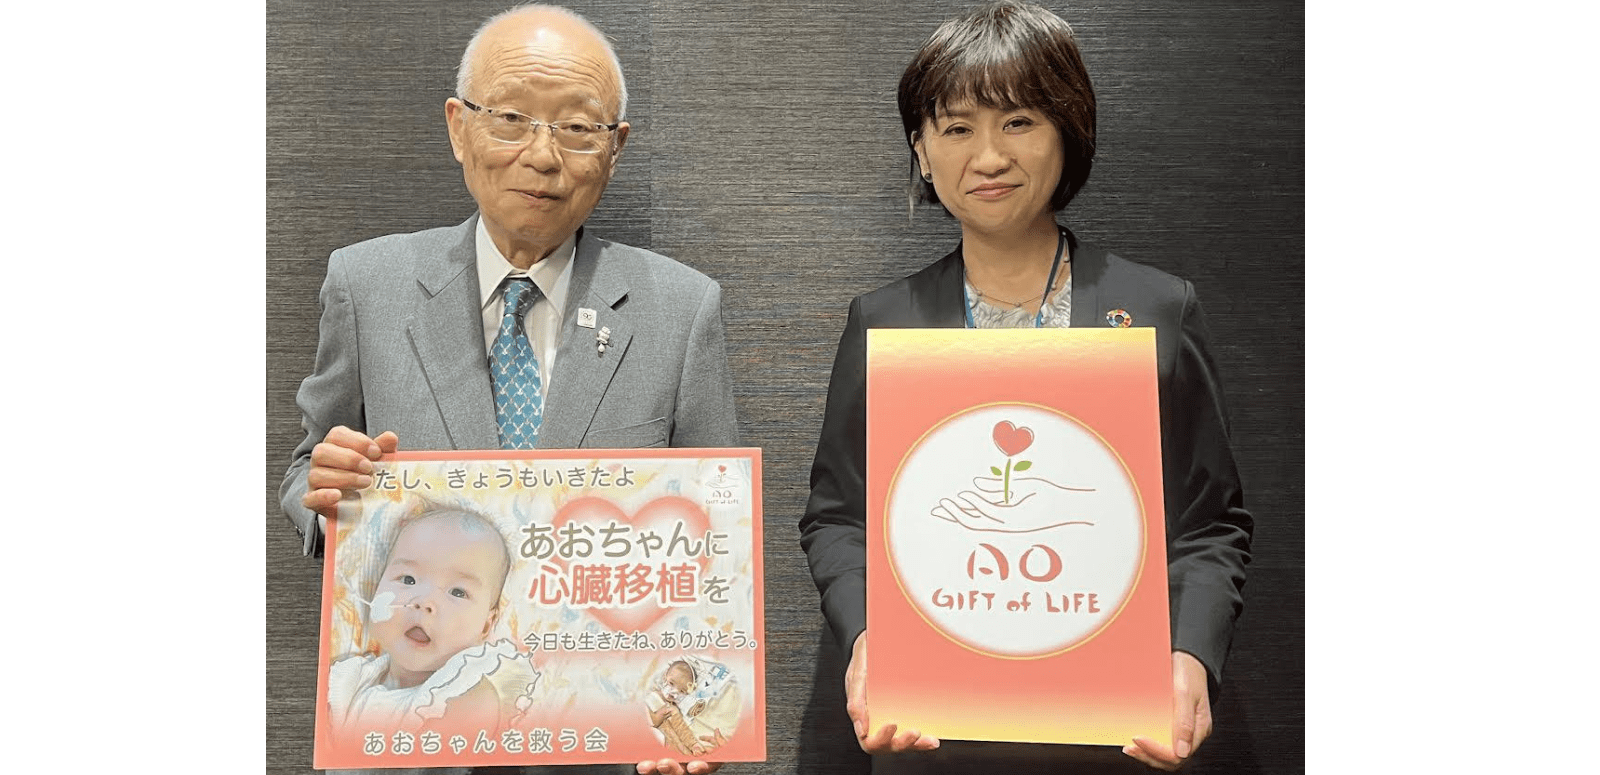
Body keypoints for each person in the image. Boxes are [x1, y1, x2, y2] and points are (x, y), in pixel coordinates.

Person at [278, 5, 735, 774]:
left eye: (578, 128)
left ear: (615, 147)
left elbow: (717, 537)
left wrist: (694, 722)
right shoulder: (367, 283)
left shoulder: (682, 308)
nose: (543, 155)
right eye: (513, 119)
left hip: (601, 747)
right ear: (459, 127)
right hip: (413, 749)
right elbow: (304, 470)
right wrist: (325, 492)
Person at [797, 2, 1253, 772]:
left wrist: (1191, 656)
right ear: (921, 150)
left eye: (1018, 122)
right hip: (932, 734)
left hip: (1118, 733)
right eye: (956, 128)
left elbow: (1211, 522)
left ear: (1067, 131)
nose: (988, 156)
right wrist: (869, 638)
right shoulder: (884, 321)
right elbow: (838, 516)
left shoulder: (1156, 309)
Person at [327, 507, 537, 737]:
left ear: (487, 625)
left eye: (457, 592)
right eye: (408, 579)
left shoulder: (467, 692)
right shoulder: (349, 680)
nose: (424, 602)